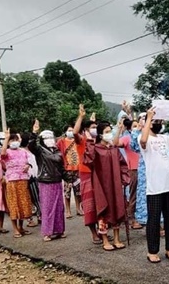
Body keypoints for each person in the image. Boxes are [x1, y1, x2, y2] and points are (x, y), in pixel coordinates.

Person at [139, 107, 169, 263]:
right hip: (154, 188)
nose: (158, 123)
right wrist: (148, 118)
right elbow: (144, 141)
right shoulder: (143, 137)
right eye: (155, 121)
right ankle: (152, 251)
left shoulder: (165, 138)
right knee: (153, 220)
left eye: (159, 120)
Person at [84, 120, 130, 251]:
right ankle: (105, 239)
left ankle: (116, 238)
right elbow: (88, 159)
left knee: (117, 208)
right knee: (103, 210)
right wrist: (89, 142)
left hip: (115, 184)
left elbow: (123, 165)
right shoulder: (96, 149)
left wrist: (124, 178)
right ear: (100, 134)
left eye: (110, 131)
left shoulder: (114, 149)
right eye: (106, 132)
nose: (109, 134)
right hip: (101, 185)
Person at [28, 120, 67, 242]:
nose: (50, 139)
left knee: (59, 207)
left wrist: (69, 178)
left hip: (57, 181)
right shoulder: (40, 151)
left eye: (51, 137)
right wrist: (34, 132)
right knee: (48, 207)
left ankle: (59, 230)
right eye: (47, 137)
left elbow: (62, 168)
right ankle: (47, 232)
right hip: (45, 182)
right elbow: (31, 146)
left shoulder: (57, 151)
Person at [73, 104, 102, 244]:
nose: (94, 129)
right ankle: (94, 233)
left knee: (101, 203)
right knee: (90, 204)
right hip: (86, 174)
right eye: (92, 127)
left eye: (96, 127)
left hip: (99, 174)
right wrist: (81, 116)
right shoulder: (81, 140)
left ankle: (102, 231)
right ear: (85, 130)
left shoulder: (98, 140)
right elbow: (74, 132)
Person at [0, 130, 33, 238]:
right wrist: (6, 138)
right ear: (9, 142)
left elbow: (30, 160)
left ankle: (21, 227)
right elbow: (3, 153)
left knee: (23, 204)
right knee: (14, 204)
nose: (14, 142)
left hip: (23, 179)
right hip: (12, 180)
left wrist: (28, 165)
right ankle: (15, 229)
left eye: (16, 140)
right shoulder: (7, 152)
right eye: (12, 140)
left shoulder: (23, 151)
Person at [57, 124, 83, 219]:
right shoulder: (62, 142)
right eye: (69, 130)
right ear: (65, 132)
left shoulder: (77, 141)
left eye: (72, 130)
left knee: (78, 190)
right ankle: (67, 210)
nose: (71, 132)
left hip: (77, 169)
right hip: (67, 170)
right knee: (67, 191)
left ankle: (78, 208)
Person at [121, 118, 142, 230]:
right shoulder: (127, 138)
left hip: (144, 168)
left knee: (143, 195)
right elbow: (116, 144)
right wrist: (120, 129)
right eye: (134, 125)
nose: (137, 127)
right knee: (134, 194)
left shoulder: (143, 137)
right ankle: (132, 218)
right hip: (133, 169)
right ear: (129, 128)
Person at [22, 132, 41, 228]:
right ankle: (30, 219)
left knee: (37, 198)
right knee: (29, 199)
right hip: (28, 178)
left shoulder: (30, 151)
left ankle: (39, 216)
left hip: (35, 177)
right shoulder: (22, 152)